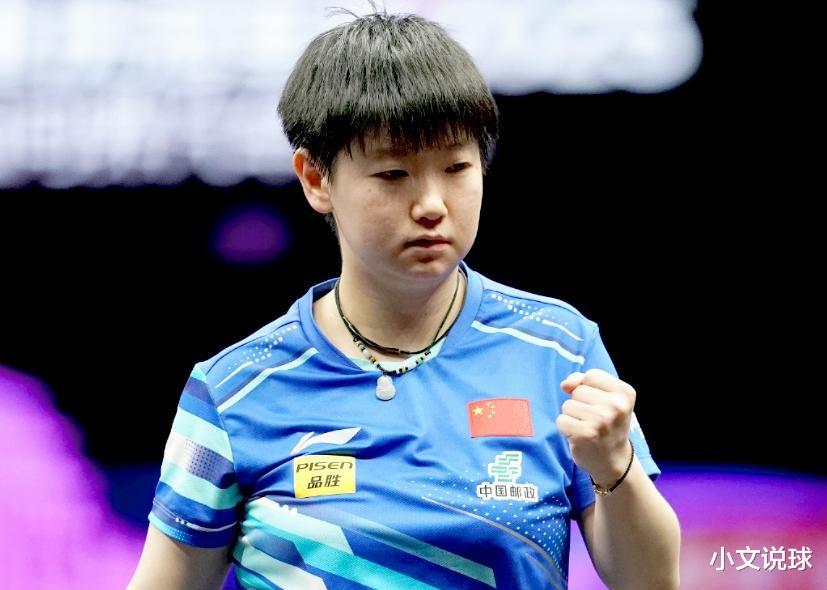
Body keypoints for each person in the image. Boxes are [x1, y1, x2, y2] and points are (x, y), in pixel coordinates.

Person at [128, 9, 680, 590]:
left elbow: (651, 583)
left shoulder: (557, 350)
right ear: (315, 179)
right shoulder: (233, 390)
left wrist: (614, 468)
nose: (432, 204)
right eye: (394, 174)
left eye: (457, 167)